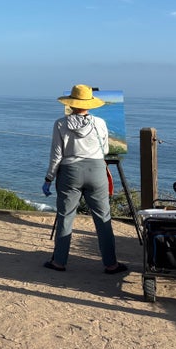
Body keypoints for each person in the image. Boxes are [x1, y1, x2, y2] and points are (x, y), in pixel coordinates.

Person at [41, 84, 127, 274]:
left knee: (65, 216)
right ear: (90, 103)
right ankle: (111, 264)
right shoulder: (100, 123)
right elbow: (105, 150)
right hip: (96, 170)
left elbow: (57, 155)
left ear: (71, 103)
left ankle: (59, 261)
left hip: (70, 172)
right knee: (103, 217)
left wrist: (49, 178)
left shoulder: (60, 124)